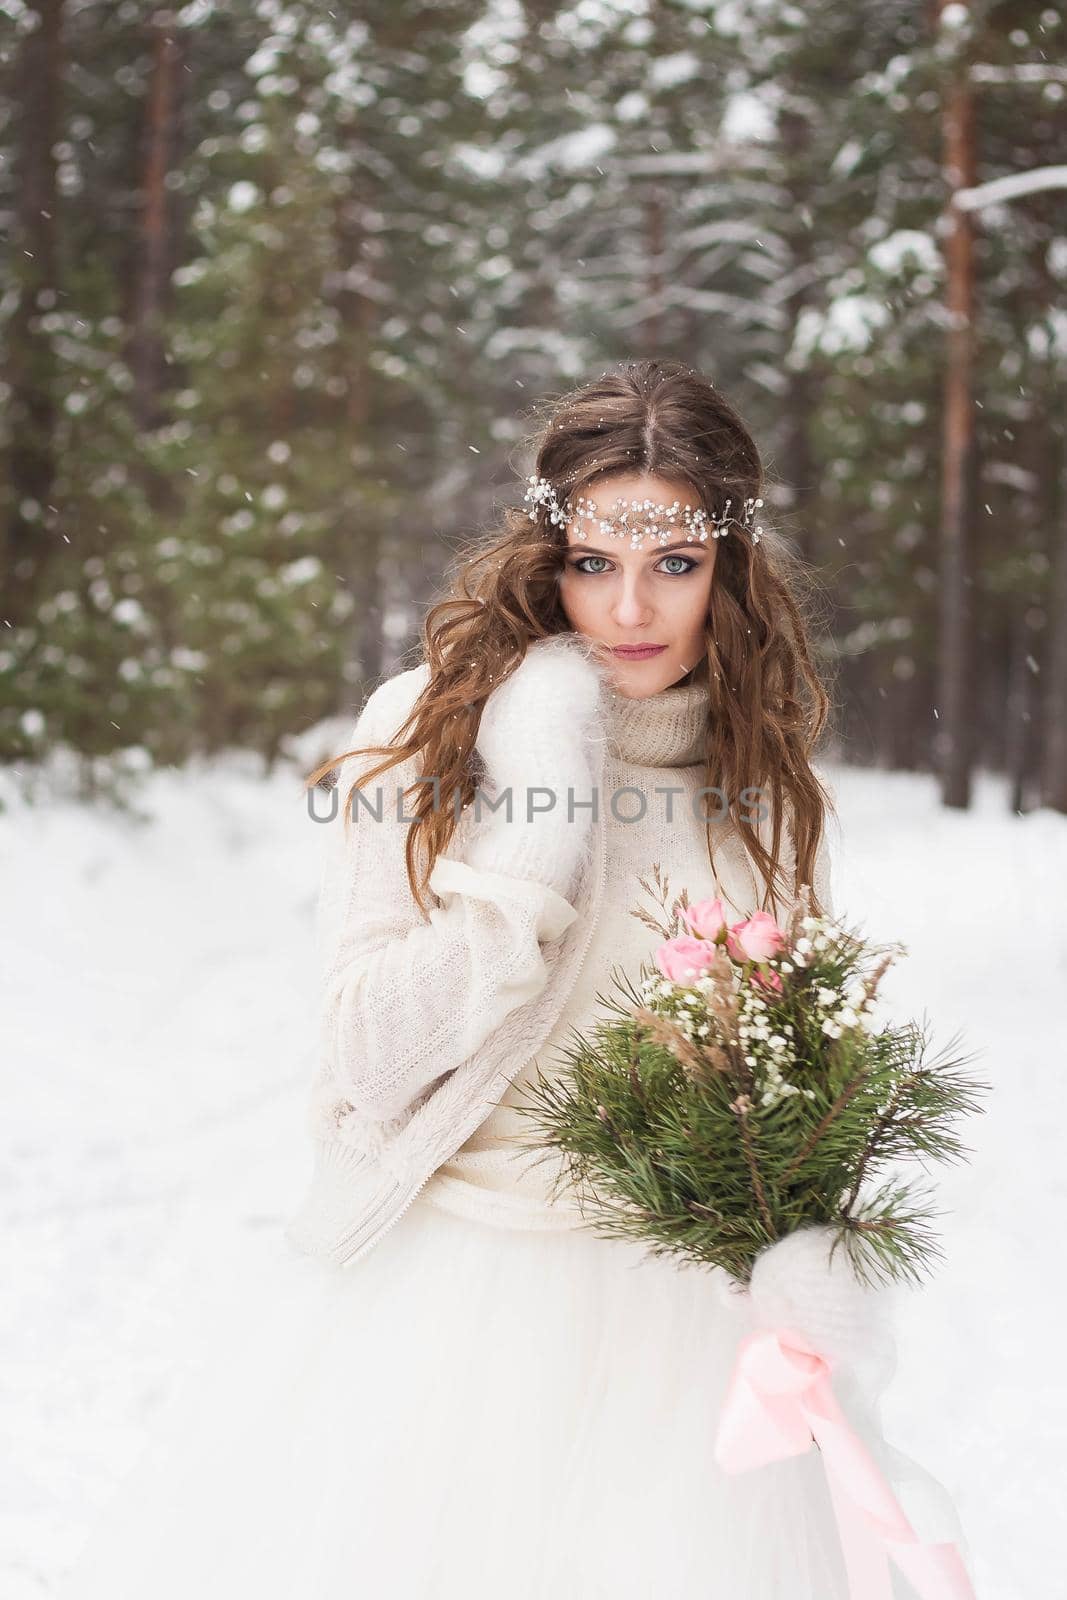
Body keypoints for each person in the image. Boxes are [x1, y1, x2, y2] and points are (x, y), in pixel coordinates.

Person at [57, 360, 973, 1598]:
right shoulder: (429, 728)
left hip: (682, 1351)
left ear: (730, 571)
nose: (629, 609)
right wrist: (533, 851)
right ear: (548, 559)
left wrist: (814, 1253)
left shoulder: (763, 779)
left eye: (675, 564)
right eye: (594, 563)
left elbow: (781, 1087)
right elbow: (360, 1057)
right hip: (453, 1315)